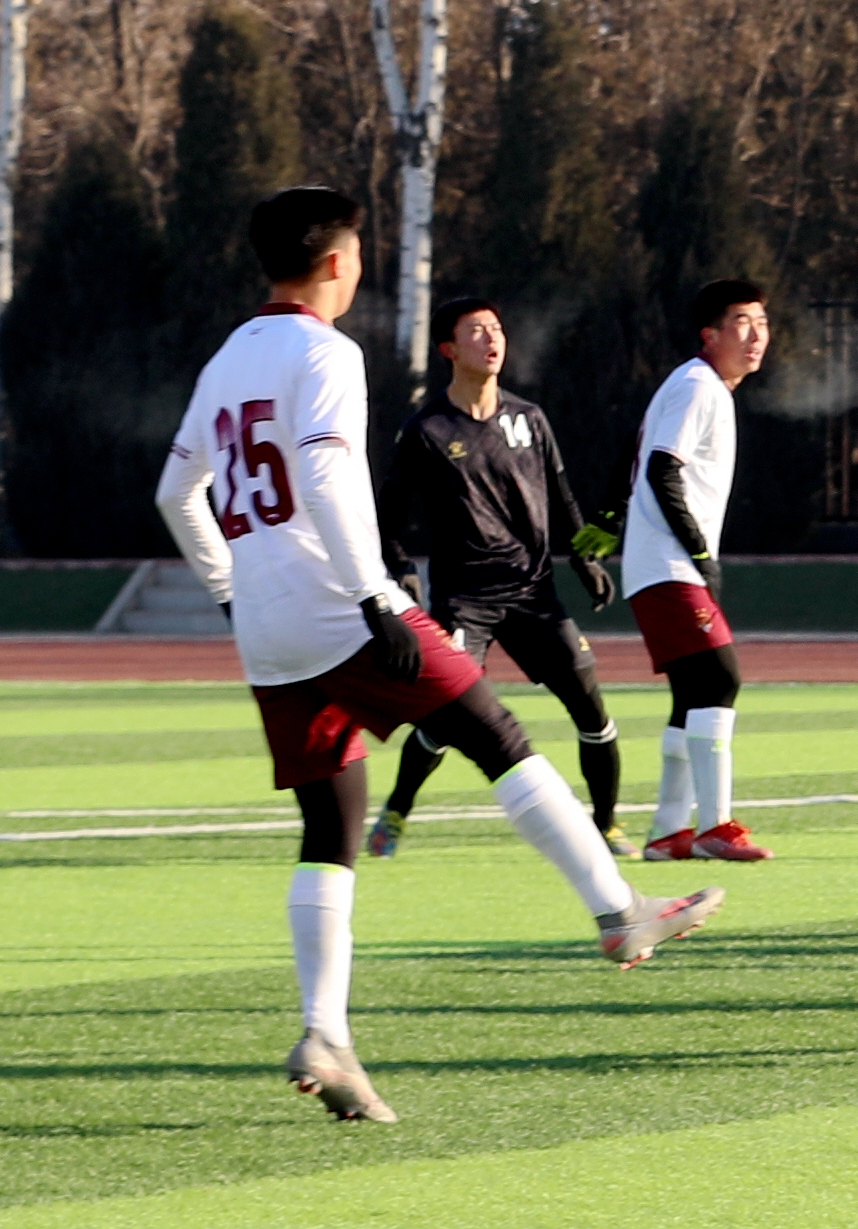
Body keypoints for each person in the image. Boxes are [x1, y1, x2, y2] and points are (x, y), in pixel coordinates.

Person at [154, 187, 719, 1125]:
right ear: (340, 259)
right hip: (341, 605)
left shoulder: (227, 356)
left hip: (268, 626)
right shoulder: (325, 350)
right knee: (495, 732)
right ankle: (619, 913)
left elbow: (179, 493)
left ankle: (324, 1033)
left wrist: (229, 590)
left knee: (329, 826)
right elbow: (331, 475)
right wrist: (377, 595)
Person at [366, 297, 630, 860]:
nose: (492, 339)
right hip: (466, 602)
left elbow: (561, 498)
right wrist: (404, 572)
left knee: (592, 710)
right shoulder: (426, 430)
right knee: (445, 720)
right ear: (448, 349)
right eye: (476, 330)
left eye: (497, 328)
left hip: (535, 593)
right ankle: (396, 810)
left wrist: (585, 557)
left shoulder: (530, 418)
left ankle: (607, 826)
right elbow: (385, 518)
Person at [627, 280, 769, 865]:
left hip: (660, 562)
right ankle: (715, 827)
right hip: (669, 564)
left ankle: (667, 833)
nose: (756, 334)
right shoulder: (697, 385)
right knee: (720, 678)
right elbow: (663, 470)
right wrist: (700, 553)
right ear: (710, 335)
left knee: (693, 696)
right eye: (742, 322)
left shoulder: (704, 387)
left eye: (762, 322)